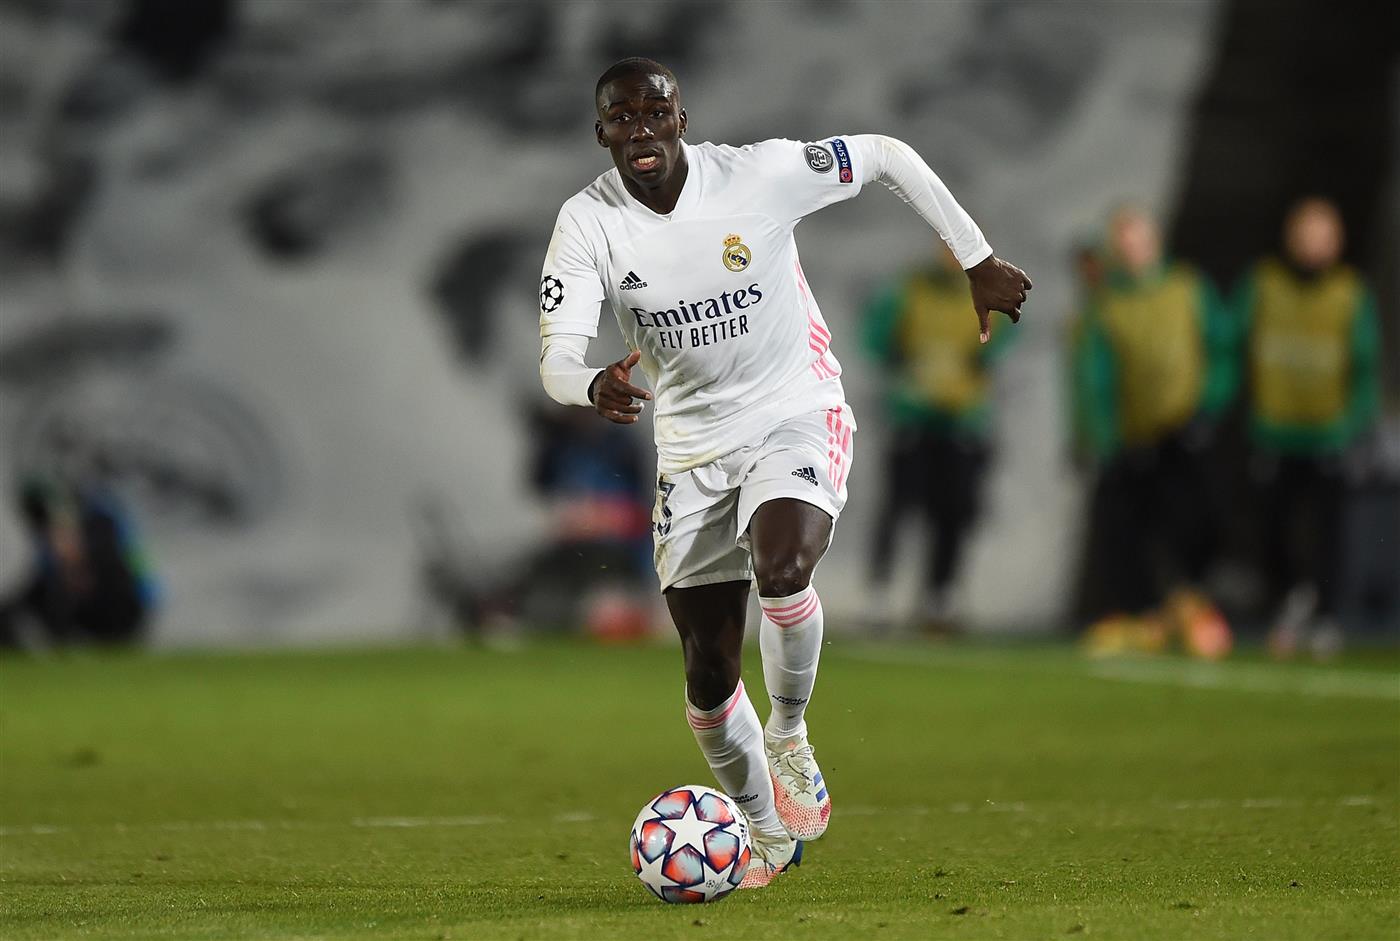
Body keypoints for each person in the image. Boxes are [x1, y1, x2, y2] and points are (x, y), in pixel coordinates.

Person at [536, 58, 1031, 887]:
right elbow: (554, 357)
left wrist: (975, 259)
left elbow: (881, 154)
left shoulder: (756, 176)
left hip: (791, 409)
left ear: (680, 118)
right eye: (621, 120)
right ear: (603, 136)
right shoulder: (588, 223)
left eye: (655, 114)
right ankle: (766, 832)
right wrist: (592, 383)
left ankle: (791, 732)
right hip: (691, 451)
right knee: (705, 678)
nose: (641, 132)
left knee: (784, 569)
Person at [1072, 205, 1234, 658]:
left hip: (1184, 430)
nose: (1132, 252)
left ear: (1155, 242)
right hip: (1133, 437)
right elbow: (1096, 378)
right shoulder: (1106, 304)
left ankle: (1193, 607)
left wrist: (1207, 408)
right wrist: (1105, 439)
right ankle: (1145, 617)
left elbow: (1220, 349)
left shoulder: (1187, 288)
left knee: (1197, 523)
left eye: (1138, 241)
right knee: (1122, 529)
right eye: (1123, 244)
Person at [1237, 197, 1381, 659]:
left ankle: (1327, 616)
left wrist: (1353, 425)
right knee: (1272, 528)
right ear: (1289, 238)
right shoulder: (1263, 284)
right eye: (1304, 233)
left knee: (1332, 533)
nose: (1312, 244)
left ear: (1336, 242)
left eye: (1321, 235)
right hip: (1274, 432)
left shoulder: (1350, 293)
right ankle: (1290, 601)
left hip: (1329, 436)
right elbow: (1226, 341)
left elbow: (1366, 368)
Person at [861, 241, 1015, 632]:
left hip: (963, 417)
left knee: (955, 512)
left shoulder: (985, 288)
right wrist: (895, 355)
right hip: (913, 415)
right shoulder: (911, 289)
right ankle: (881, 591)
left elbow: (1010, 332)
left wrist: (985, 357)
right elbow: (876, 332)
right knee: (899, 506)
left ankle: (940, 595)